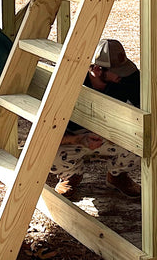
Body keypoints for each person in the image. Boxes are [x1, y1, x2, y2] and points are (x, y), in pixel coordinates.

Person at [50, 38, 142, 200]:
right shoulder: (69, 83)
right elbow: (48, 132)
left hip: (109, 136)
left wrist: (118, 132)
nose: (123, 75)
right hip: (74, 139)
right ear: (98, 70)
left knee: (140, 144)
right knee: (49, 155)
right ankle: (71, 176)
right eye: (118, 71)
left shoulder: (126, 78)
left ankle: (117, 176)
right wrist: (79, 139)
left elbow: (143, 111)